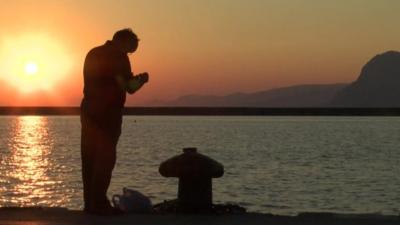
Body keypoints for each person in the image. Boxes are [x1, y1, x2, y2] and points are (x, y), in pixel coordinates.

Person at [80, 28, 149, 215]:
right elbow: (128, 87)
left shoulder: (93, 53)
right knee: (105, 157)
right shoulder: (118, 57)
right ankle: (99, 205)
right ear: (124, 42)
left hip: (88, 110)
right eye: (130, 50)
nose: (129, 54)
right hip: (108, 112)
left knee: (89, 158)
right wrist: (141, 80)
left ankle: (90, 204)